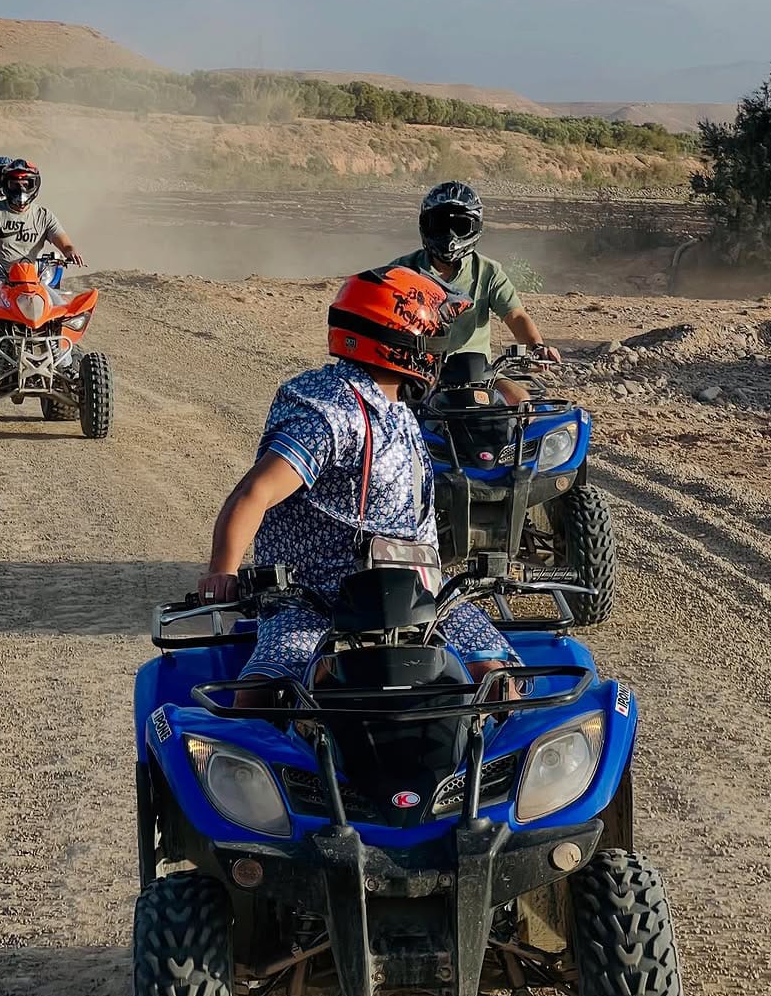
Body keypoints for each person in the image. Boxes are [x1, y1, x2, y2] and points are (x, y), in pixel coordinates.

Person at [197, 266, 517, 694]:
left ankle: (487, 765)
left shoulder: (399, 406)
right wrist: (223, 570)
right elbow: (255, 492)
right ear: (405, 345)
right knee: (263, 692)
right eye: (433, 344)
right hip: (320, 600)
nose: (437, 356)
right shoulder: (330, 411)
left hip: (417, 596)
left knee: (497, 680)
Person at [379, 181, 560, 404]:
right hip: (418, 371)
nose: (449, 235)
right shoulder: (403, 271)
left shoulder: (488, 271)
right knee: (388, 412)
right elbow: (380, 316)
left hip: (479, 374)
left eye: (460, 226)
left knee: (522, 404)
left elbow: (515, 315)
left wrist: (537, 346)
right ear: (426, 226)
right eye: (440, 224)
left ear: (475, 228)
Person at [0, 159, 84, 302]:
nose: (21, 190)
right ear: (6, 185)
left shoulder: (44, 215)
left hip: (32, 280)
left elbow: (65, 243)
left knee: (61, 309)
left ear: (35, 185)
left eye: (26, 184)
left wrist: (70, 252)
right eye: (14, 185)